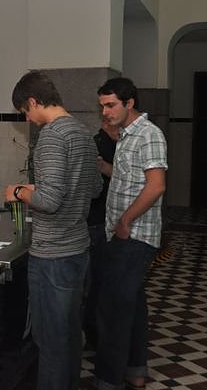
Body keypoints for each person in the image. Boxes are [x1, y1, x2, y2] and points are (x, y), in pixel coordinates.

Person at [3, 70, 102, 390]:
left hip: (52, 255)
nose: (27, 119)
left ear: (33, 101)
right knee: (69, 335)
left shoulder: (52, 136)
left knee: (50, 340)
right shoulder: (83, 132)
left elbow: (48, 201)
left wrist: (19, 191)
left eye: (25, 111)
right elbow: (95, 187)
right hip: (78, 249)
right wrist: (45, 188)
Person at [92, 77, 167, 390]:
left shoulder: (149, 134)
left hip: (134, 235)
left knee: (112, 309)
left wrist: (125, 220)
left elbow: (156, 186)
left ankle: (107, 381)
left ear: (130, 103)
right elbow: (126, 177)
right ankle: (135, 370)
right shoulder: (125, 135)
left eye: (110, 105)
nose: (105, 112)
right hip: (121, 234)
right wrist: (102, 166)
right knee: (132, 305)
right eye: (102, 106)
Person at [84, 117, 119, 349]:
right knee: (98, 283)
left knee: (97, 283)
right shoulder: (102, 145)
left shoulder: (102, 143)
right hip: (99, 222)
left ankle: (96, 335)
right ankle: (96, 336)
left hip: (100, 222)